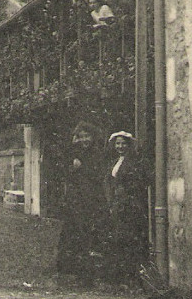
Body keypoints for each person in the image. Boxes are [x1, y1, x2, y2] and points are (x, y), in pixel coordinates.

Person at [58, 123, 107, 283]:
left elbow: (97, 174)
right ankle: (70, 268)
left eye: (87, 136)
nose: (85, 140)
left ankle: (88, 270)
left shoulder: (97, 153)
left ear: (93, 137)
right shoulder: (74, 152)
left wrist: (82, 167)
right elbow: (65, 170)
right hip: (75, 199)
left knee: (89, 231)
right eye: (81, 136)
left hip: (91, 197)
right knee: (73, 231)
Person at [104, 131, 149, 286]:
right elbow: (109, 181)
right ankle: (120, 277)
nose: (120, 146)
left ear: (128, 145)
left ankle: (133, 277)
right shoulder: (114, 161)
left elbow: (136, 183)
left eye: (123, 143)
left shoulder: (133, 162)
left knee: (130, 239)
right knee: (118, 239)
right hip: (116, 204)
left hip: (129, 205)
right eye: (118, 143)